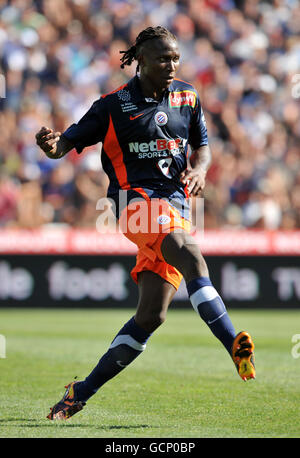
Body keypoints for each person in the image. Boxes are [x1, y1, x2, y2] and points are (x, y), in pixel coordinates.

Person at [36, 26, 255, 421]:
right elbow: (64, 145)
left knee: (151, 316)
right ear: (141, 61)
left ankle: (78, 393)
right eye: (162, 59)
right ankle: (233, 344)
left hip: (176, 206)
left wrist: (201, 170)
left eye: (175, 58)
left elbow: (202, 146)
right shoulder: (112, 106)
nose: (171, 65)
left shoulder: (188, 97)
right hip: (133, 205)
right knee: (191, 256)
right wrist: (52, 145)